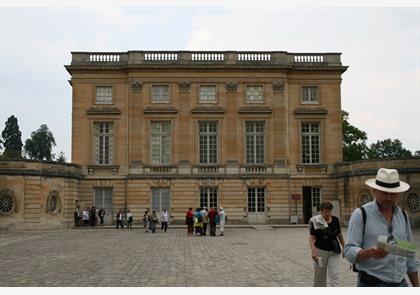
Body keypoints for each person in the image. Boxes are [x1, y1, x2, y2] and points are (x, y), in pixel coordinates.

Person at [344, 168, 419, 287]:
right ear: (374, 190)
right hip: (371, 284)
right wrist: (368, 252)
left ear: (398, 193)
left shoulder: (403, 216)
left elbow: (409, 254)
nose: (389, 198)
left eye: (393, 194)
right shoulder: (361, 214)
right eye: (385, 193)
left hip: (400, 284)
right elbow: (348, 251)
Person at [308, 201, 345, 287]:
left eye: (329, 211)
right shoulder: (316, 221)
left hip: (334, 251)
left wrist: (344, 246)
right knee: (319, 276)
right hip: (320, 253)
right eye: (325, 212)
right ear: (321, 211)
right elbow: (311, 238)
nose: (328, 214)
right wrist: (313, 252)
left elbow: (339, 234)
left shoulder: (335, 219)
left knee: (334, 275)